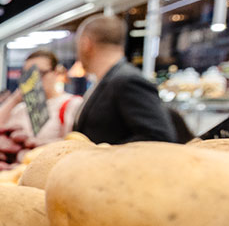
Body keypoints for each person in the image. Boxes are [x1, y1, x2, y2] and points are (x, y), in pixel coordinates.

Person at [72, 15, 178, 144]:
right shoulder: (111, 79)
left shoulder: (127, 81)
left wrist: (104, 153)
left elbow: (159, 137)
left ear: (86, 44)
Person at [0, 50, 83, 140]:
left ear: (56, 73)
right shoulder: (21, 108)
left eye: (40, 73)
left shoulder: (72, 104)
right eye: (27, 74)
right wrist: (14, 99)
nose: (34, 80)